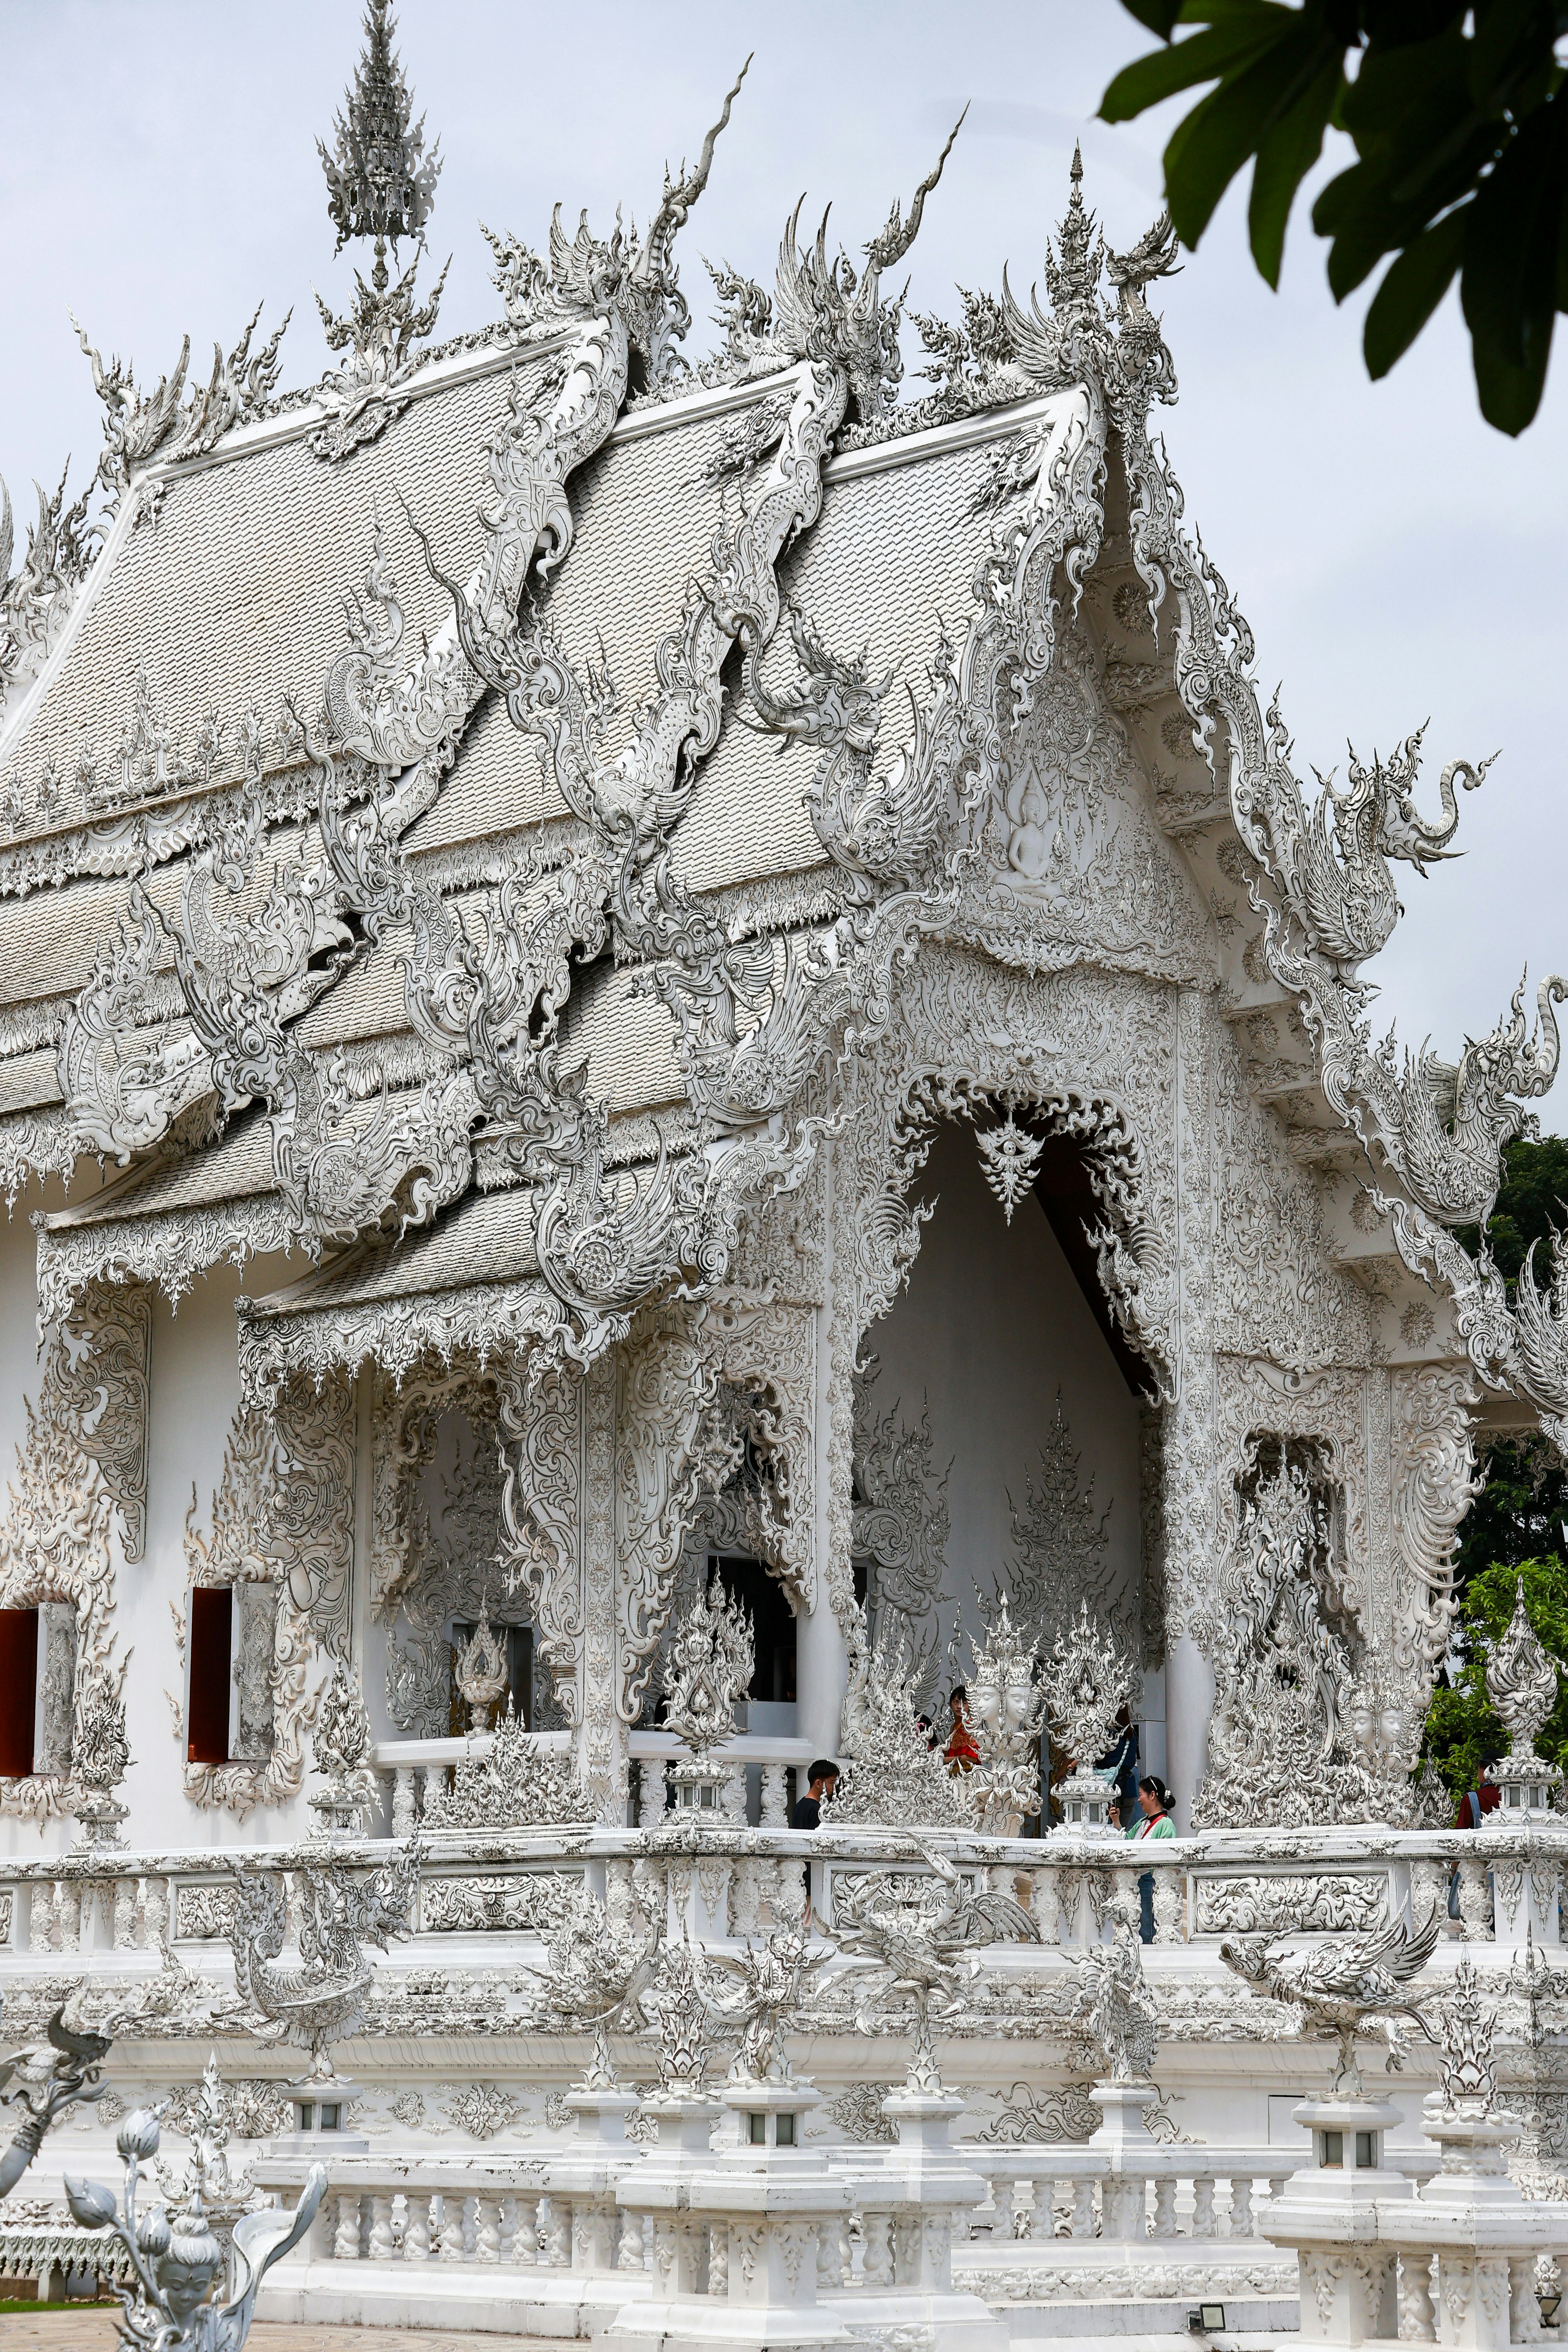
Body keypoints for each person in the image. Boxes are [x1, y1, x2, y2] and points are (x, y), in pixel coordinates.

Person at [1128, 1774, 1175, 1944]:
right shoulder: (1141, 1823)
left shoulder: (1166, 1825)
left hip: (1151, 1881)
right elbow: (1125, 1842)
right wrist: (1117, 1822)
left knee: (1148, 1926)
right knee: (1138, 1925)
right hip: (1136, 1881)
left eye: (1141, 1794)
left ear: (1152, 1795)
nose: (1139, 1799)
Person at [791, 1759, 839, 1830]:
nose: (834, 1788)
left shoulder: (799, 1806)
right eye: (831, 1783)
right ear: (818, 1783)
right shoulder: (816, 1810)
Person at [944, 1687, 980, 1775]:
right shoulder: (954, 1726)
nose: (959, 1707)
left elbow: (974, 1758)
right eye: (956, 1702)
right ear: (951, 1704)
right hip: (953, 1774)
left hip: (969, 1775)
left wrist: (948, 1760)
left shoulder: (970, 1725)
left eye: (964, 1703)